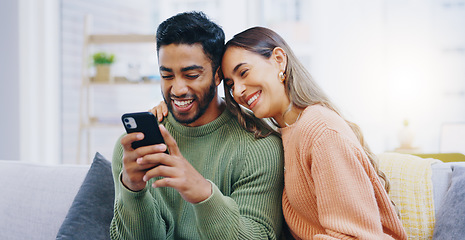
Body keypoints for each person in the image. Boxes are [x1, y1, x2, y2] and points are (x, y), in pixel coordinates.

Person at [220, 27, 408, 239]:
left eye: (243, 72)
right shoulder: (286, 134)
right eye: (230, 84)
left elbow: (355, 235)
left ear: (279, 60)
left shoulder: (320, 131)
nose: (237, 91)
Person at [110, 13, 285, 239]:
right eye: (167, 75)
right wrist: (133, 189)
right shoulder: (134, 148)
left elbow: (258, 236)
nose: (178, 89)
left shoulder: (259, 146)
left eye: (191, 75)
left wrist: (204, 194)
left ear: (217, 76)